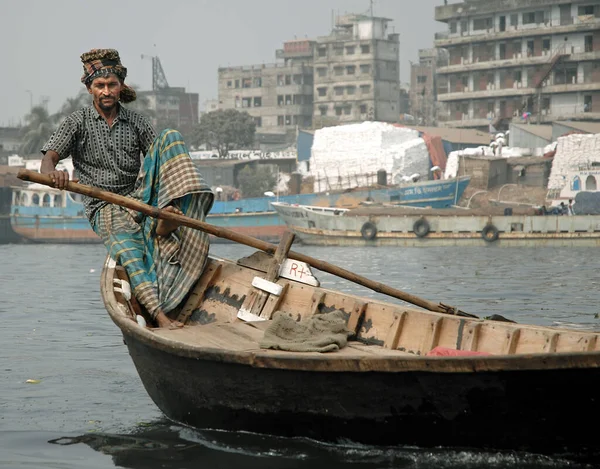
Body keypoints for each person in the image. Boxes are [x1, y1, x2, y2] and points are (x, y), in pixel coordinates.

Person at [40, 49, 214, 328]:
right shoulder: (77, 122)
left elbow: (159, 159)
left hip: (138, 198)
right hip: (104, 206)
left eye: (112, 85)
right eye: (100, 86)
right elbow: (49, 158)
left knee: (170, 137)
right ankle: (159, 315)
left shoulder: (137, 122)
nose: (106, 91)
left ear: (121, 87)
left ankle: (165, 217)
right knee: (129, 248)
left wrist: (160, 195)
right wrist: (53, 175)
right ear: (89, 88)